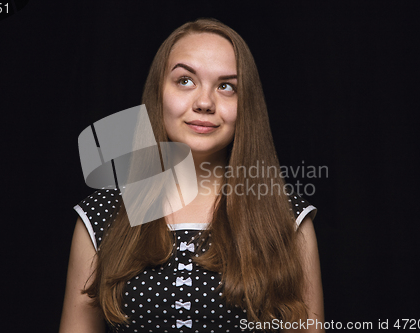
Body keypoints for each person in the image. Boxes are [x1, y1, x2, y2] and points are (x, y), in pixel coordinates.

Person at [60, 18, 324, 333]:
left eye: (226, 86)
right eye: (185, 80)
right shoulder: (102, 215)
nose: (204, 103)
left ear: (246, 106)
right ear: (158, 91)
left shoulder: (287, 219)